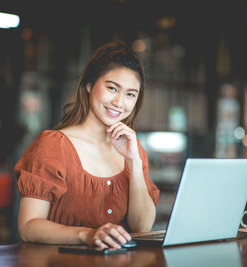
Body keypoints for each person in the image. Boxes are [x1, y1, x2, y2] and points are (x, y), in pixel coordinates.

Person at [14, 40, 160, 249]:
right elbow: (28, 227)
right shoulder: (52, 146)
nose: (119, 102)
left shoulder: (133, 149)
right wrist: (87, 235)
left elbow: (142, 227)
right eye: (112, 88)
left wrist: (134, 162)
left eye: (130, 94)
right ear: (89, 84)